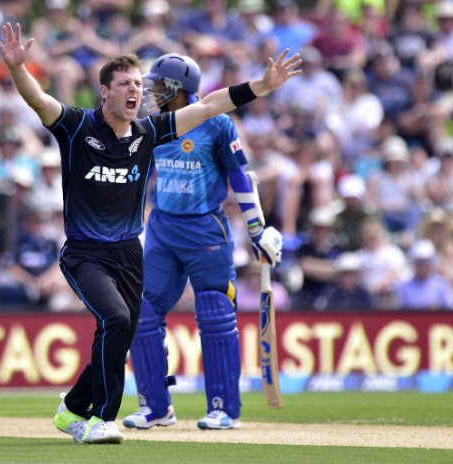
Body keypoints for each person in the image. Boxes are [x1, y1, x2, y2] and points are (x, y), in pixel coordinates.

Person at [0, 22, 300, 444]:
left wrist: (262, 86)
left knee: (118, 336)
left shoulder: (148, 132)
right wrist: (17, 69)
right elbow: (39, 100)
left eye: (139, 83)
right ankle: (103, 418)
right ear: (105, 91)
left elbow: (210, 106)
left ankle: (71, 410)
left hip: (129, 254)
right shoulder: (77, 127)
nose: (136, 90)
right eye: (126, 84)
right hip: (85, 254)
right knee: (117, 319)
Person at [120, 52, 282, 433]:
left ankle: (225, 408)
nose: (152, 91)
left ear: (176, 88)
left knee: (214, 313)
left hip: (205, 231)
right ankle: (156, 407)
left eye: (158, 85)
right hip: (161, 229)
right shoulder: (151, 125)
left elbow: (240, 178)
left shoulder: (217, 124)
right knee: (141, 313)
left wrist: (257, 229)